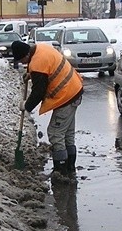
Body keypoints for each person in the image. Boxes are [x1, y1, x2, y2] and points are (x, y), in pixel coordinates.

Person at [12, 40, 83, 179]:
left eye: (23, 60)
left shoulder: (37, 63)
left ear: (26, 54)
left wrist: (26, 106)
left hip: (66, 96)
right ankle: (70, 169)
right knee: (67, 134)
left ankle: (60, 171)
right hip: (74, 90)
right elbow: (48, 69)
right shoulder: (41, 48)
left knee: (55, 133)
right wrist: (31, 74)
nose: (24, 63)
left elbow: (39, 91)